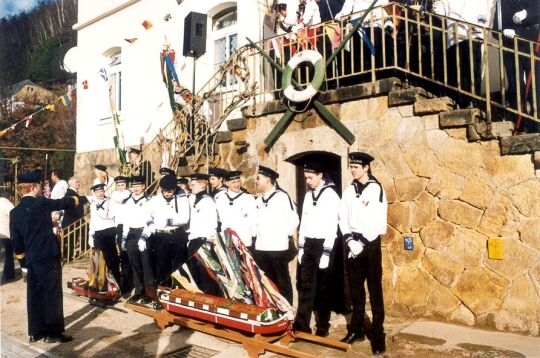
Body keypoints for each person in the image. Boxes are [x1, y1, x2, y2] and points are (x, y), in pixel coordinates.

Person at [10, 171, 80, 343]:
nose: (41, 190)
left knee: (34, 295)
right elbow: (62, 202)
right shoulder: (40, 203)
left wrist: (23, 263)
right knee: (52, 295)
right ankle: (53, 333)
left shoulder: (15, 212)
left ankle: (35, 332)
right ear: (33, 187)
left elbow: (16, 241)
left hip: (31, 259)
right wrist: (78, 199)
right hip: (48, 256)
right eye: (40, 187)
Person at [338, 152, 387, 355]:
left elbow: (379, 221)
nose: (351, 170)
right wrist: (350, 240)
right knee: (356, 291)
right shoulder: (349, 191)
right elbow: (342, 217)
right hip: (352, 243)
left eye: (355, 167)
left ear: (366, 168)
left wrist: (362, 242)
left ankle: (378, 335)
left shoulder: (376, 189)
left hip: (370, 244)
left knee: (375, 292)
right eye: (350, 167)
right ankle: (356, 330)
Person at [293, 160, 340, 337]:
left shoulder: (331, 196)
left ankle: (322, 326)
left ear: (320, 175)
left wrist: (327, 251)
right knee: (305, 286)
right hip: (309, 245)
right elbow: (304, 221)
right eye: (305, 178)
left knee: (323, 288)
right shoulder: (307, 195)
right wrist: (302, 246)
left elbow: (332, 225)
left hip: (324, 245)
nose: (307, 181)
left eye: (310, 177)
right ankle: (301, 324)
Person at [432, 0, 490, 108]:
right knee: (459, 70)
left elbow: (483, 11)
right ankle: (461, 101)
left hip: (473, 34)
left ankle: (473, 101)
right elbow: (439, 13)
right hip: (454, 36)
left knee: (473, 69)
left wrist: (478, 24)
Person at [254, 165, 299, 304]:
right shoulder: (258, 200)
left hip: (277, 248)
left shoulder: (282, 197)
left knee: (282, 281)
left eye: (258, 178)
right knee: (268, 282)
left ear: (268, 179)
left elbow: (294, 220)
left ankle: (287, 311)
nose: (256, 181)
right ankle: (273, 309)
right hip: (261, 248)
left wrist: (280, 235)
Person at [496, 0, 540, 131]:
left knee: (536, 86)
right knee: (516, 86)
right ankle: (522, 125)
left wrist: (527, 13)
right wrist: (503, 31)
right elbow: (495, 28)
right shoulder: (502, 2)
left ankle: (537, 124)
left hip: (533, 47)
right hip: (512, 49)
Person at [145, 174, 190, 286]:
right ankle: (162, 290)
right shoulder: (155, 199)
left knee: (178, 264)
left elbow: (184, 218)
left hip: (176, 234)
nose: (166, 194)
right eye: (164, 191)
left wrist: (168, 221)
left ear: (175, 189)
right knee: (161, 264)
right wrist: (151, 224)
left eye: (169, 191)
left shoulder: (182, 199)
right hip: (161, 236)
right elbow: (146, 213)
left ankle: (177, 290)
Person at [334, 0, 393, 83]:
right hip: (358, 25)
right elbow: (347, 7)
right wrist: (341, 15)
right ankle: (361, 80)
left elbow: (385, 7)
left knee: (377, 54)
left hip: (376, 24)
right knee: (359, 55)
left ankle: (378, 78)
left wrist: (388, 22)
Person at [120, 175, 154, 303]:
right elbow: (126, 221)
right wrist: (124, 237)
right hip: (131, 235)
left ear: (144, 187)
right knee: (134, 265)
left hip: (143, 235)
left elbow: (151, 222)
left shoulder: (149, 201)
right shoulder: (128, 201)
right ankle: (139, 291)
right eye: (133, 186)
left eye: (138, 186)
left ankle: (149, 294)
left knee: (146, 265)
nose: (135, 189)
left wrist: (144, 238)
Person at [186, 173, 220, 295]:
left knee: (204, 271)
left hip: (203, 240)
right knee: (192, 268)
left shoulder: (208, 201)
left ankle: (209, 295)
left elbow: (213, 223)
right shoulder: (191, 198)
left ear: (202, 186)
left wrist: (209, 241)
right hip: (193, 239)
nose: (190, 186)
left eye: (193, 184)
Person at [215, 171, 257, 252]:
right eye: (233, 182)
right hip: (227, 240)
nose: (237, 184)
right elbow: (217, 218)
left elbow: (254, 218)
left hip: (244, 239)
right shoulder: (219, 198)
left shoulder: (248, 198)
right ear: (226, 183)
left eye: (238, 181)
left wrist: (253, 235)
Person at [88, 183, 121, 285]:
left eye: (101, 191)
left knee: (112, 258)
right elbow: (93, 219)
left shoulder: (110, 202)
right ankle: (100, 283)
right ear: (94, 193)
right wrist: (90, 234)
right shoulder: (93, 204)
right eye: (98, 192)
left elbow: (113, 216)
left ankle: (116, 283)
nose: (100, 193)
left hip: (109, 231)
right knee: (98, 259)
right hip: (98, 232)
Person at [110, 176, 132, 293]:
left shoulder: (128, 194)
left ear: (126, 185)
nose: (120, 188)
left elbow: (122, 197)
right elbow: (115, 206)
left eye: (122, 185)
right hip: (118, 226)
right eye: (118, 185)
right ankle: (125, 283)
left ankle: (129, 283)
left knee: (128, 255)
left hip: (128, 225)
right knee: (123, 255)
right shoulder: (115, 195)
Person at [0, 189, 15, 284]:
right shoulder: (8, 204)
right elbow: (14, 218)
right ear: (9, 196)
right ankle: (8, 274)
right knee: (9, 254)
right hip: (6, 233)